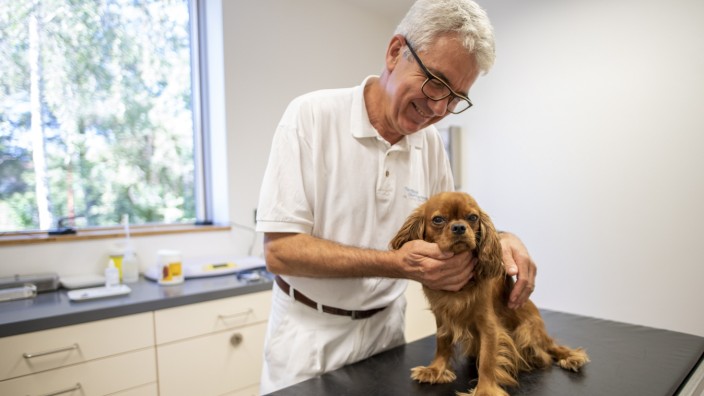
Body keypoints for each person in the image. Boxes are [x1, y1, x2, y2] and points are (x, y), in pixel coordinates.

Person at [255, 0, 537, 393]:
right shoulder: (310, 117)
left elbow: (455, 223)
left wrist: (505, 238)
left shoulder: (431, 145)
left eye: (456, 97)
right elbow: (279, 252)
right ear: (394, 53)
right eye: (435, 81)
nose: (438, 107)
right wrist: (397, 264)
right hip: (309, 338)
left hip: (387, 332)